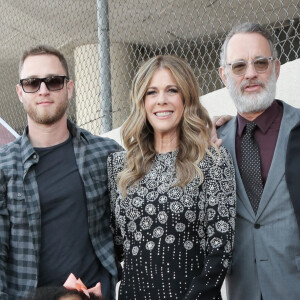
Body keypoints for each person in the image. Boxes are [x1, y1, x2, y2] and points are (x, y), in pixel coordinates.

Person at [107, 55, 236, 299]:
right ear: (142, 101)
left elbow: (220, 251)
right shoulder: (120, 167)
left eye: (172, 90)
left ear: (186, 97)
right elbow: (117, 247)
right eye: (152, 92)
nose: (161, 101)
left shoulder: (212, 161)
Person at [0, 45, 121, 300]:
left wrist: (205, 129)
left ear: (69, 87)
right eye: (33, 82)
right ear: (20, 92)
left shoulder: (106, 153)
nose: (43, 90)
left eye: (53, 81)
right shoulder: (3, 166)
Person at [217, 22, 300, 300]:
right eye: (239, 66)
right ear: (224, 75)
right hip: (242, 291)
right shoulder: (212, 144)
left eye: (260, 63)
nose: (251, 74)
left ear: (276, 68)